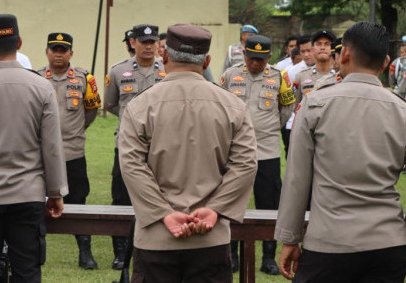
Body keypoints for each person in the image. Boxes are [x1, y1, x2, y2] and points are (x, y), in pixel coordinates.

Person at [120, 24, 257, 282]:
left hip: (156, 238)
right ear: (206, 61)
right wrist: (214, 209)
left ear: (164, 56)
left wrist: (164, 213)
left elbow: (131, 166)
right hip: (209, 235)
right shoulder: (233, 106)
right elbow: (245, 165)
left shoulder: (140, 106)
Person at [276, 22, 406, 282]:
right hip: (388, 241)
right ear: (386, 62)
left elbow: (297, 178)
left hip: (330, 241)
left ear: (344, 54)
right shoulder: (400, 110)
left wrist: (289, 238)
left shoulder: (316, 104)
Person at [0, 14, 68, 282]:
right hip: (27, 194)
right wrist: (55, 192)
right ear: (20, 43)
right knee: (27, 270)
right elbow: (51, 145)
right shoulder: (41, 86)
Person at [220, 34, 295, 274]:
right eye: (252, 59)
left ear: (269, 57)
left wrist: (270, 127)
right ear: (244, 55)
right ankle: (231, 254)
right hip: (234, 148)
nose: (255, 64)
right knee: (231, 200)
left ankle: (269, 257)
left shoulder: (279, 76)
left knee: (269, 202)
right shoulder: (230, 75)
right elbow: (219, 105)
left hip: (267, 148)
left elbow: (287, 107)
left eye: (260, 60)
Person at [37, 32, 101, 270]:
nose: (58, 54)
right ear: (47, 52)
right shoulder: (35, 77)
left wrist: (76, 131)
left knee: (78, 202)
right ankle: (35, 251)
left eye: (63, 50)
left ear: (70, 53)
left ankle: (85, 252)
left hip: (73, 152)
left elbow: (92, 110)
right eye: (54, 49)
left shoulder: (85, 78)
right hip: (42, 154)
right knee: (36, 202)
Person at [104, 23, 166, 269]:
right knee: (121, 198)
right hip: (127, 145)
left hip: (160, 146)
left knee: (160, 196)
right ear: (133, 43)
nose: (149, 47)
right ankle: (120, 252)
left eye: (153, 43)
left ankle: (158, 247)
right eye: (144, 42)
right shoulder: (118, 71)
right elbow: (110, 104)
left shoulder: (167, 71)